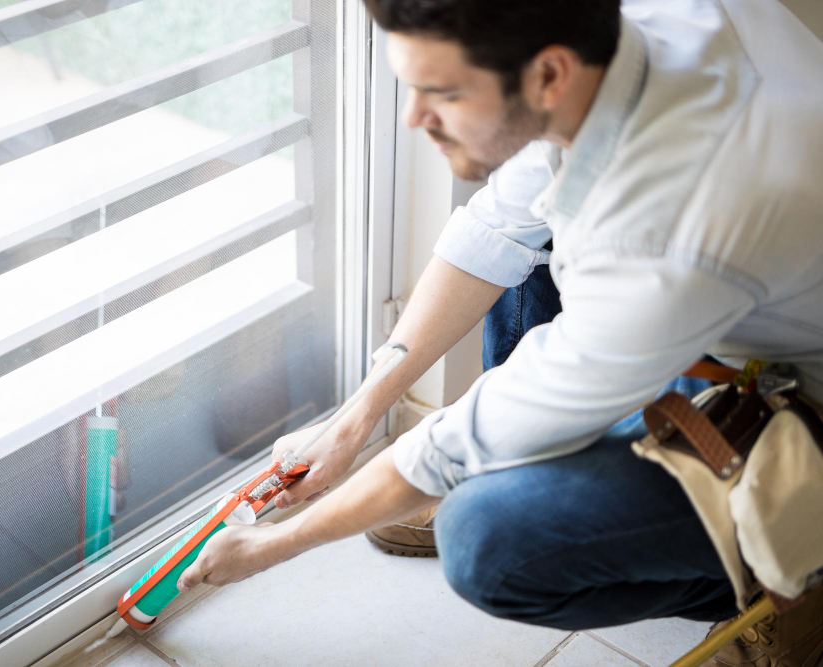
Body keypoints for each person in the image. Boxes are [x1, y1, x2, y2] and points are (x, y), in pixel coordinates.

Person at [179, 0, 823, 663]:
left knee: (485, 537)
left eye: (444, 94)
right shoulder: (603, 43)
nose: (413, 117)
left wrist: (269, 547)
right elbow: (497, 228)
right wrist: (352, 421)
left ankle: (789, 573)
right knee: (533, 241)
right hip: (750, 291)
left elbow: (447, 450)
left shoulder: (668, 228)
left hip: (804, 400)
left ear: (548, 75)